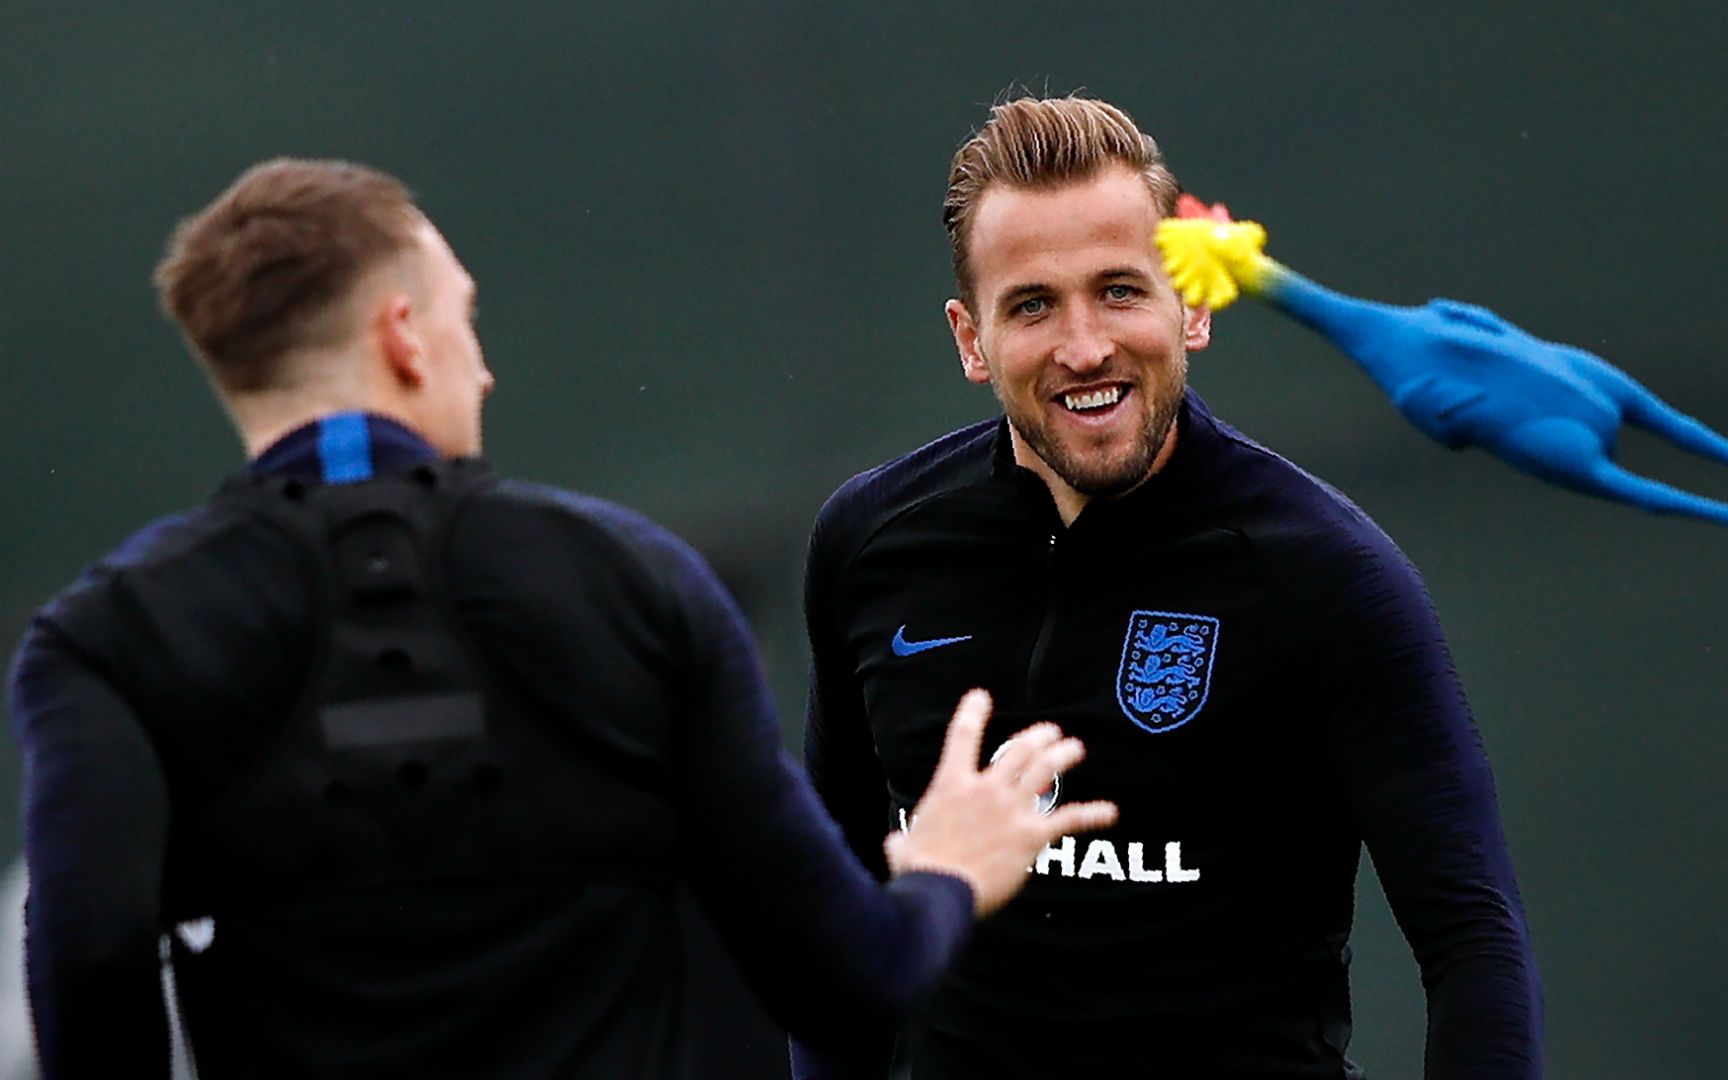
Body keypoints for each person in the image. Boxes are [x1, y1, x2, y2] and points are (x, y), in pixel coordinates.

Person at [6, 158, 1116, 1079]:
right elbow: (842, 973)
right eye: (465, 321)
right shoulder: (636, 583)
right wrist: (947, 871)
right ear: (404, 336)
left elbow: (91, 954)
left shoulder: (104, 636)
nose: (480, 369)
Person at [793, 97, 1544, 1079]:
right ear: (969, 339)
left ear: (1191, 304)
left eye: (1119, 291)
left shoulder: (1326, 573)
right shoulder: (869, 543)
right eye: (1032, 305)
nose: (1085, 346)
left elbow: (1472, 945)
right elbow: (830, 912)